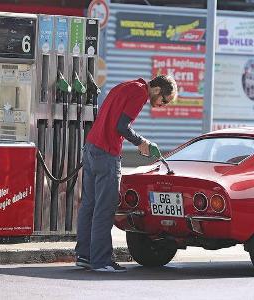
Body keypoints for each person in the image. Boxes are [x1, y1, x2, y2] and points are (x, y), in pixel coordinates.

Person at [75, 75, 178, 272]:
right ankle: (101, 261)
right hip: (106, 153)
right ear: (156, 90)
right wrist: (142, 142)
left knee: (88, 205)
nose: (162, 105)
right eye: (164, 101)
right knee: (104, 209)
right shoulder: (140, 93)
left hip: (90, 148)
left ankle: (84, 256)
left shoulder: (126, 85)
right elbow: (121, 126)